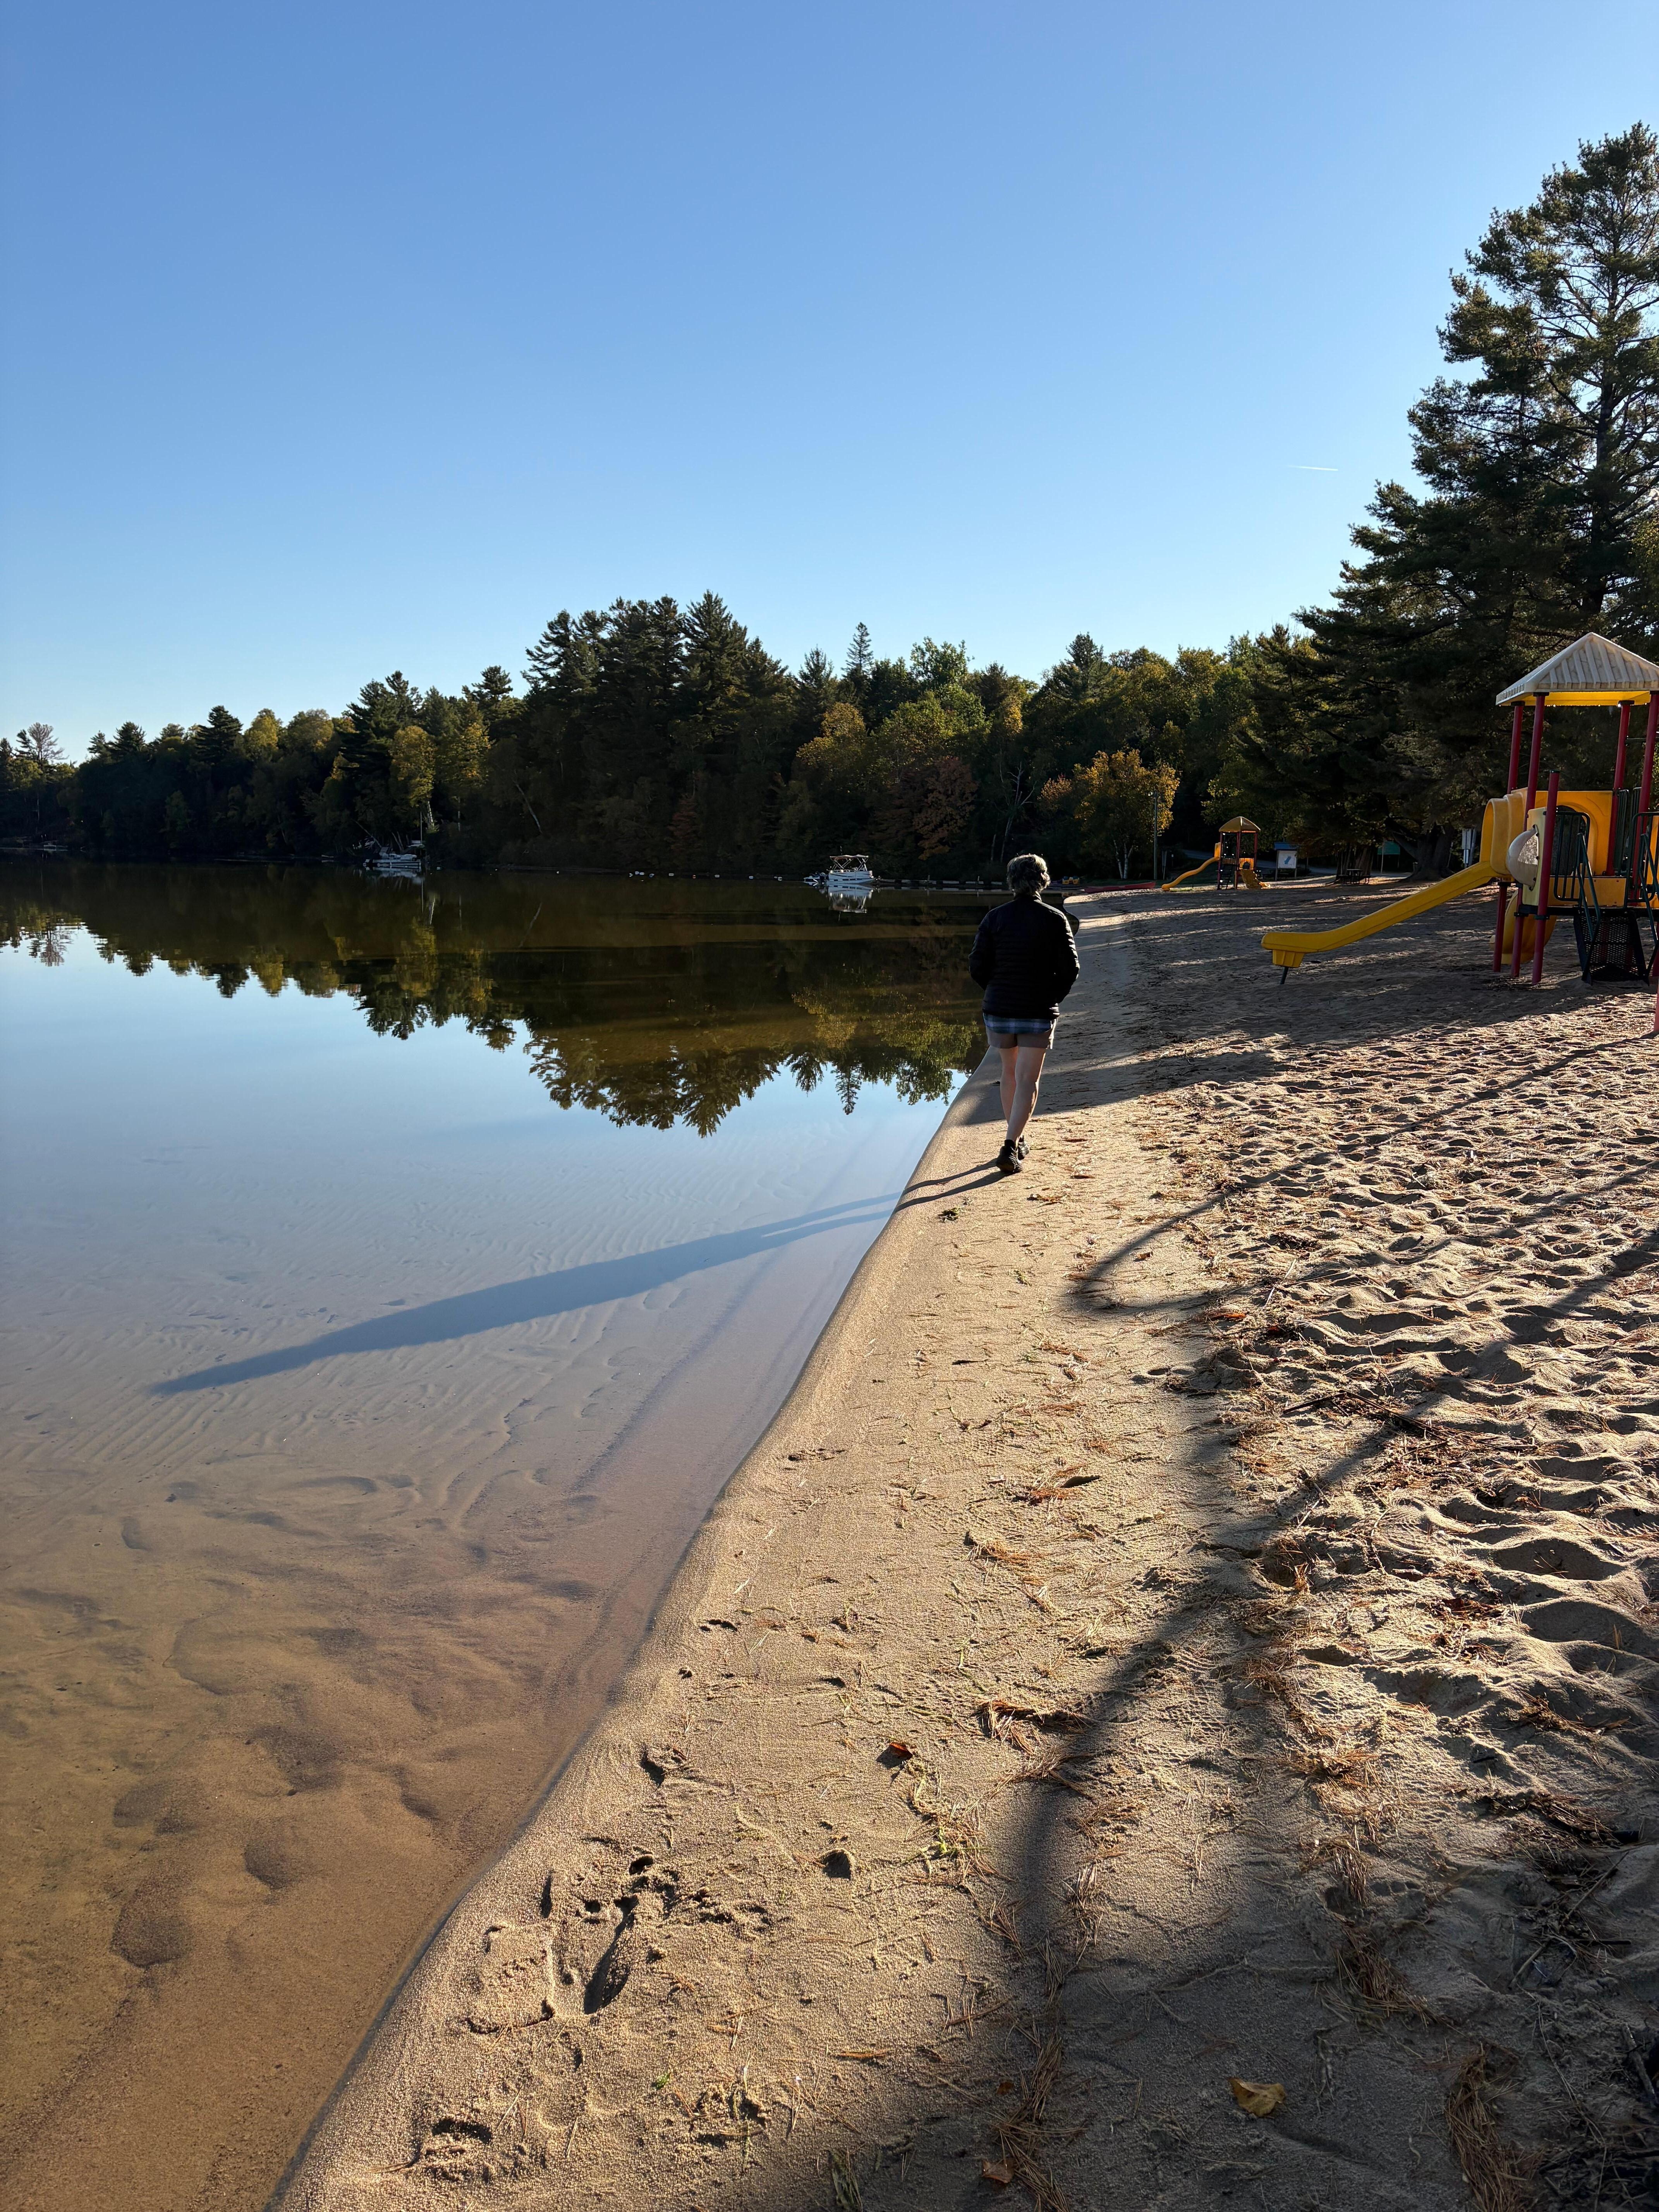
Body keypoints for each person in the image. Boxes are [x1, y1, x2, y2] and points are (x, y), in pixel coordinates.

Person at [968, 852, 1079, 1176]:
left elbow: (977, 965)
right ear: (1043, 880)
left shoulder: (994, 918)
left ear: (1012, 881)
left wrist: (994, 991)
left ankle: (1016, 1138)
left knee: (1010, 1074)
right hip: (1037, 1009)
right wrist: (1052, 996)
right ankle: (1010, 1145)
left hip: (999, 1009)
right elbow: (1071, 969)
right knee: (1028, 1079)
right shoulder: (1055, 918)